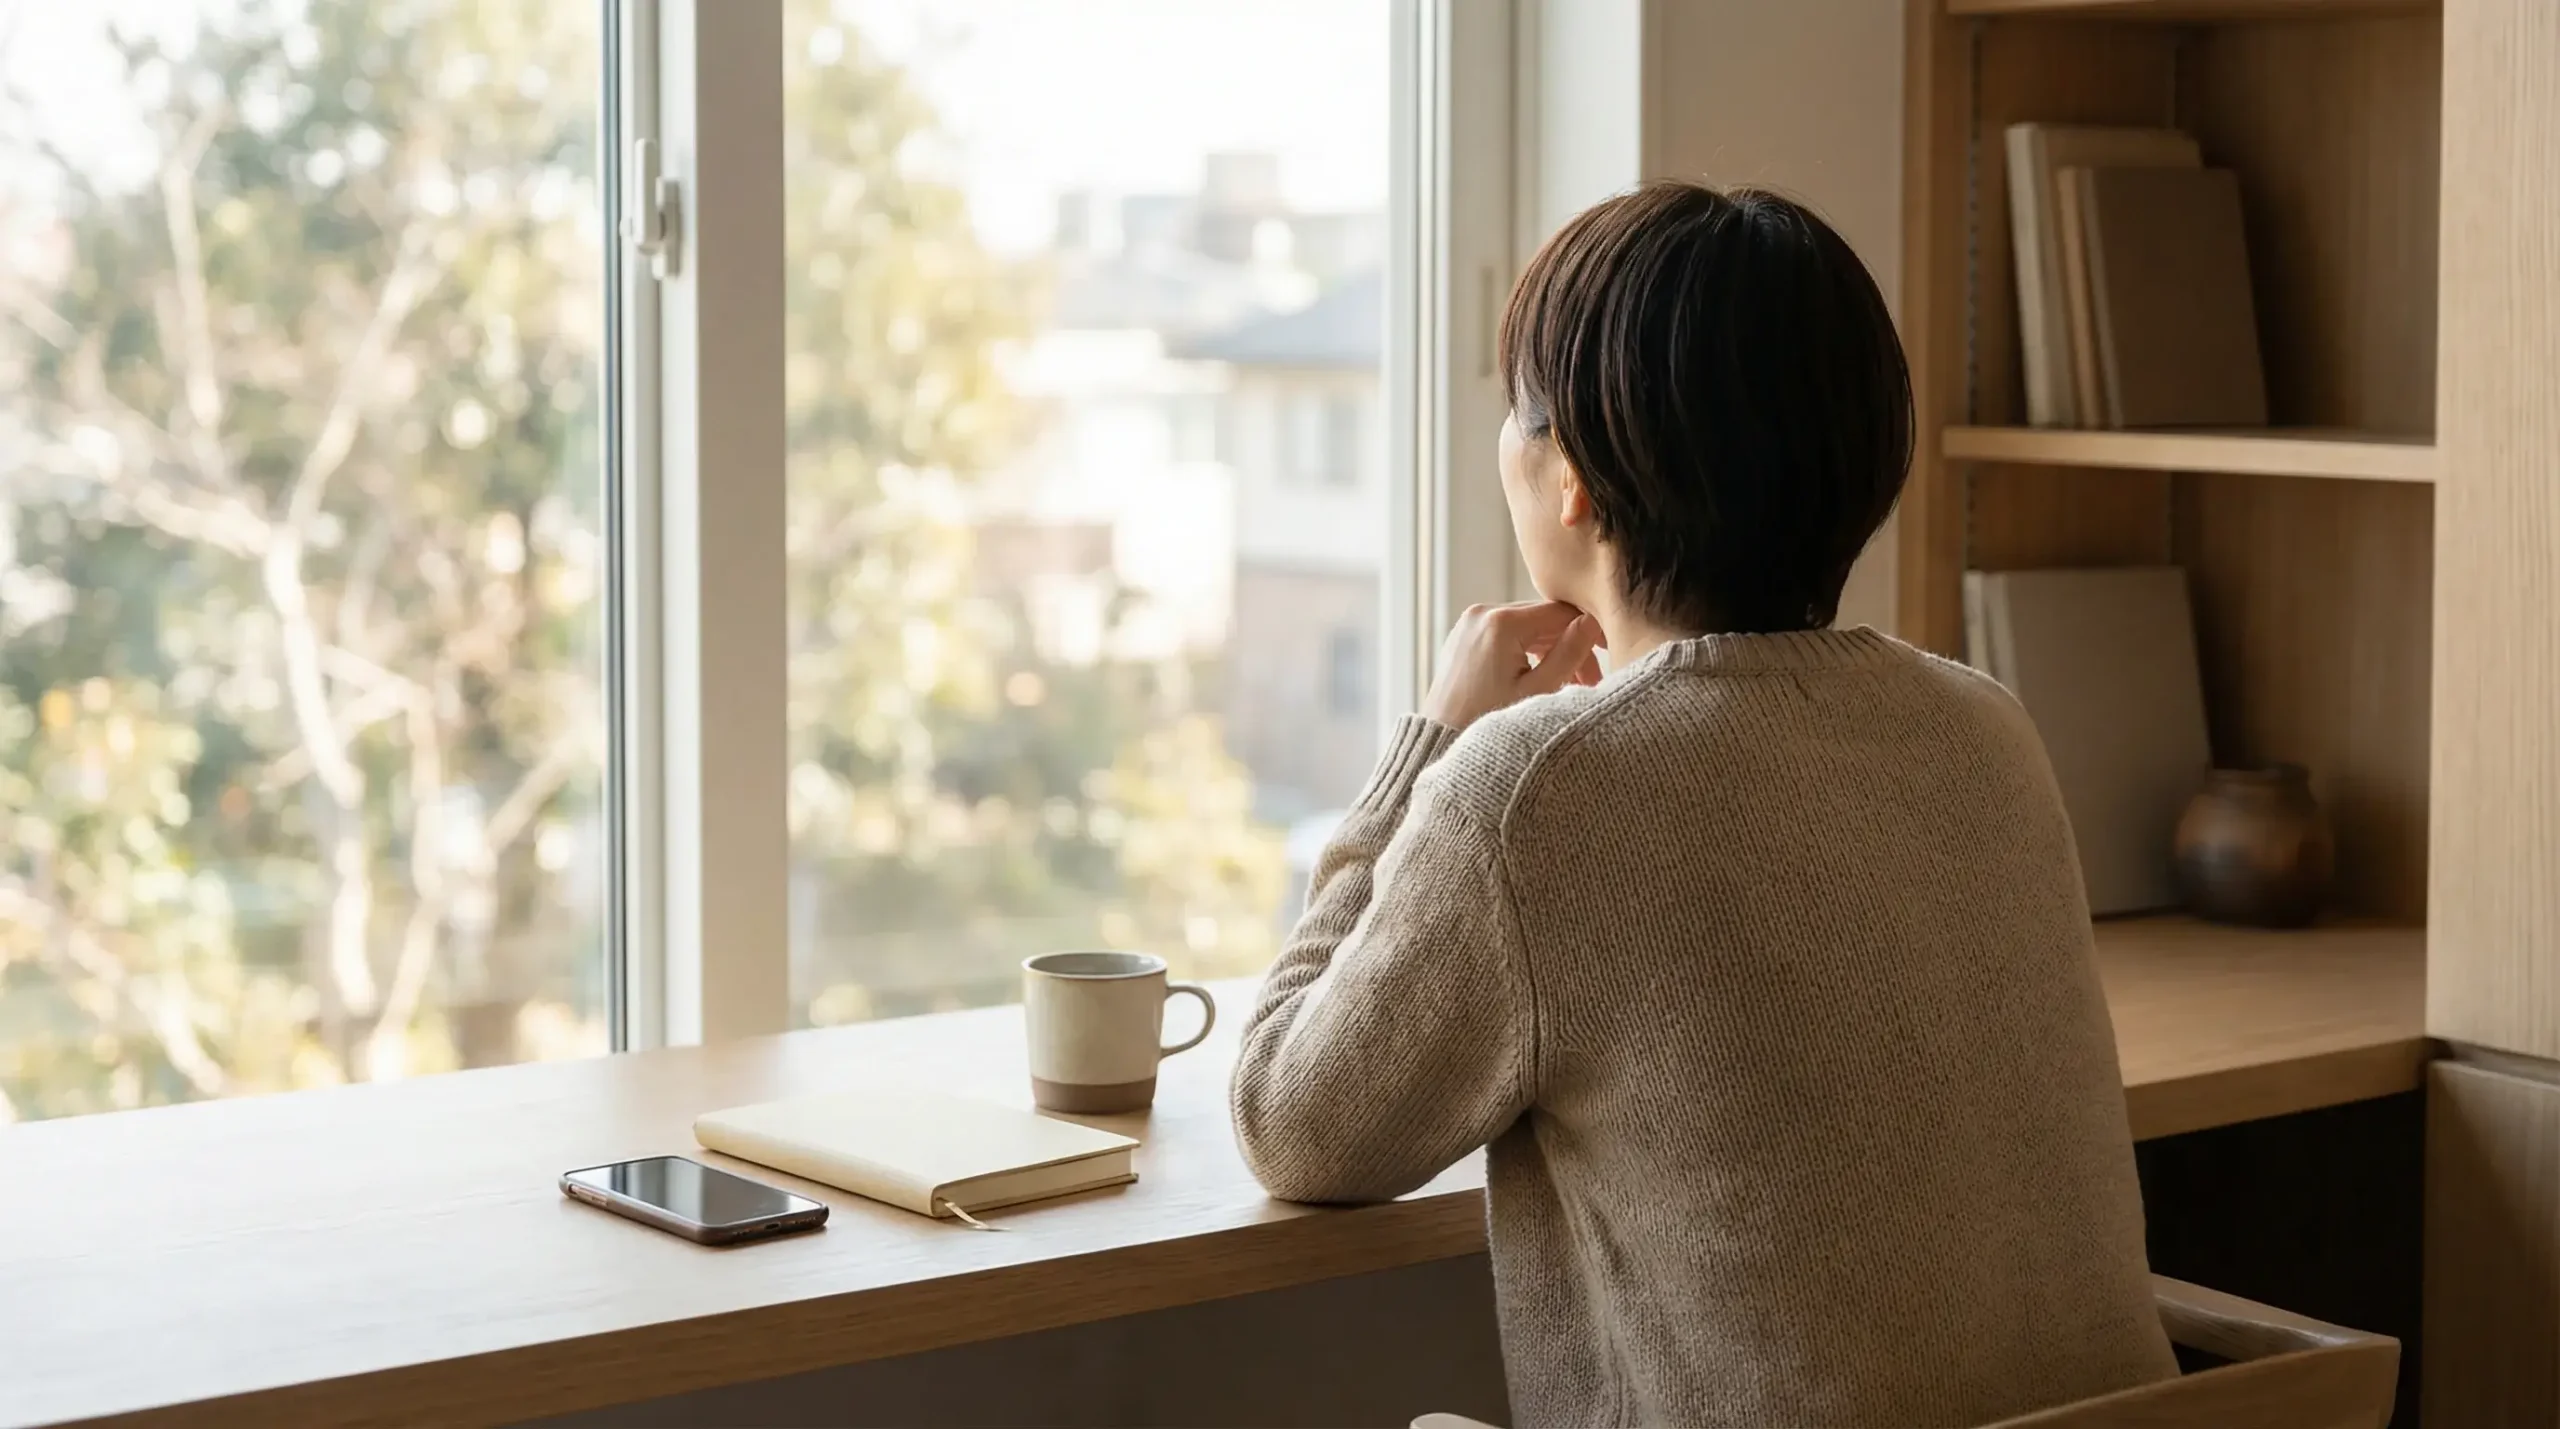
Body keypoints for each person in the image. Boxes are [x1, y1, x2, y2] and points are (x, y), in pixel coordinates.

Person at [1229, 182, 2177, 1427]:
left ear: (1572, 477)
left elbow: (1295, 1126)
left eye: (1513, 410)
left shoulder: (1530, 790)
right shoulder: (1984, 723)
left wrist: (1429, 745)